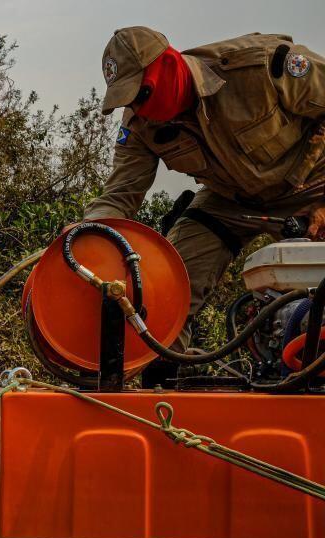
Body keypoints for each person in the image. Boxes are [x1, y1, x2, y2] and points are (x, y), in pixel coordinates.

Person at [85, 27, 325, 355]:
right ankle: (167, 390)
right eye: (127, 101)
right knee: (162, 291)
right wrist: (87, 238)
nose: (138, 110)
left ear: (169, 64)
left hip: (313, 186)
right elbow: (119, 196)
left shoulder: (261, 66)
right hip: (229, 201)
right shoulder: (139, 126)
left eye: (141, 95)